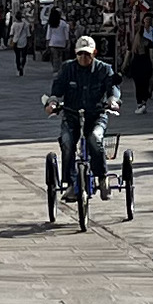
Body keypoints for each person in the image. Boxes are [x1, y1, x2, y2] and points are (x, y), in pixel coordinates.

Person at [48, 32, 122, 199]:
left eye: (87, 54)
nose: (83, 57)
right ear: (75, 53)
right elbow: (57, 89)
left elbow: (113, 89)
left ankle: (102, 177)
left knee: (95, 139)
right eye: (80, 53)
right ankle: (71, 182)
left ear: (94, 53)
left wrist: (113, 100)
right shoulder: (68, 68)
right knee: (67, 143)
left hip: (96, 115)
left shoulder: (104, 69)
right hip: (71, 115)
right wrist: (52, 103)